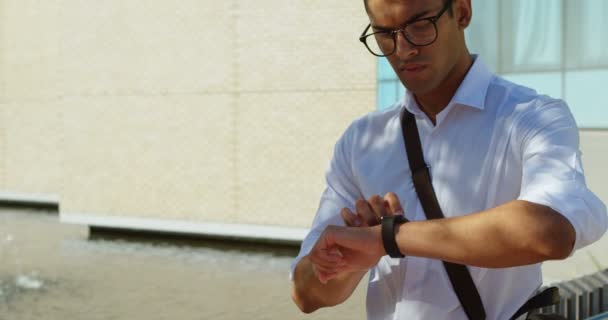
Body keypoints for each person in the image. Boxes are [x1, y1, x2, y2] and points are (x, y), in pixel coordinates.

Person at [289, 0, 608, 319]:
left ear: (462, 12)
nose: (402, 49)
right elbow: (305, 294)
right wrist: (348, 258)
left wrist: (389, 238)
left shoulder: (531, 116)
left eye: (419, 25)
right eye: (385, 33)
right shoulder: (361, 140)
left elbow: (550, 231)